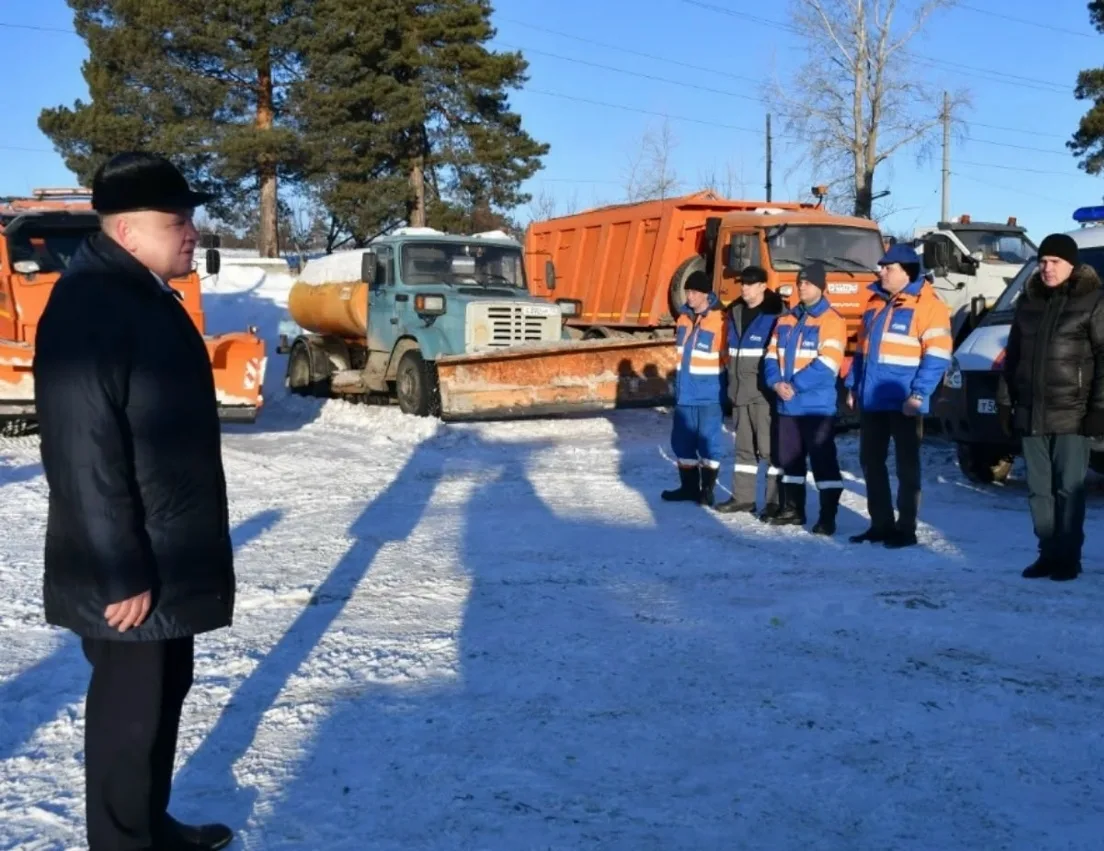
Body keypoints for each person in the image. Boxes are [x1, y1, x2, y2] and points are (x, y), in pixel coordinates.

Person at [33, 152, 236, 851]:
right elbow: (82, 451)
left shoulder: (138, 293)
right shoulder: (91, 306)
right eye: (176, 221)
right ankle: (122, 841)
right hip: (130, 563)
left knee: (162, 696)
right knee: (130, 716)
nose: (192, 232)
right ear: (126, 231)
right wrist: (119, 568)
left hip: (163, 548)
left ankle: (150, 827)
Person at [996, 232, 1104, 581]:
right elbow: (1012, 358)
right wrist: (1005, 403)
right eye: (1042, 261)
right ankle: (1047, 553)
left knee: (1068, 489)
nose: (1047, 268)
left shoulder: (1094, 301)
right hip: (1032, 412)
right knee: (1038, 491)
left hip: (1073, 413)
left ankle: (1068, 558)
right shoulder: (1028, 302)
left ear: (1072, 264)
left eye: (1055, 261)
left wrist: (1098, 409)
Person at [846, 243, 953, 548]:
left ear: (907, 272)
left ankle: (906, 528)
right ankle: (880, 524)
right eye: (882, 267)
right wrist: (853, 386)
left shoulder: (929, 305)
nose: (881, 272)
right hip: (872, 399)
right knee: (871, 462)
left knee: (907, 468)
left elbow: (938, 356)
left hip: (905, 401)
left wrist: (919, 394)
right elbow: (861, 351)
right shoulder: (874, 303)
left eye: (888, 268)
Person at [762, 262, 847, 534]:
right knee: (789, 460)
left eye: (808, 283)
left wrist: (794, 385)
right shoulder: (785, 320)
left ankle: (827, 517)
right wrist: (776, 383)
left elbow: (828, 363)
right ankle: (793, 510)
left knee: (823, 462)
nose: (801, 287)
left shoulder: (832, 320)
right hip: (788, 405)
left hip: (816, 408)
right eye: (799, 282)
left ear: (821, 287)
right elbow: (770, 357)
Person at [715, 264, 785, 518]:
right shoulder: (734, 311)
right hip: (739, 392)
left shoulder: (776, 314)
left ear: (763, 286)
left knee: (769, 450)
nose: (744, 288)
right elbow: (729, 351)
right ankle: (743, 498)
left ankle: (775, 501)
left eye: (750, 283)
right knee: (744, 449)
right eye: (742, 283)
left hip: (763, 394)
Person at [661, 269, 729, 507]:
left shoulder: (720, 320)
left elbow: (728, 358)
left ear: (706, 294)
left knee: (709, 443)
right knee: (682, 443)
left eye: (694, 292)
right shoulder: (683, 318)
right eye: (687, 291)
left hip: (709, 395)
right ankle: (688, 488)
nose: (689, 296)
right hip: (685, 394)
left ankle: (707, 490)